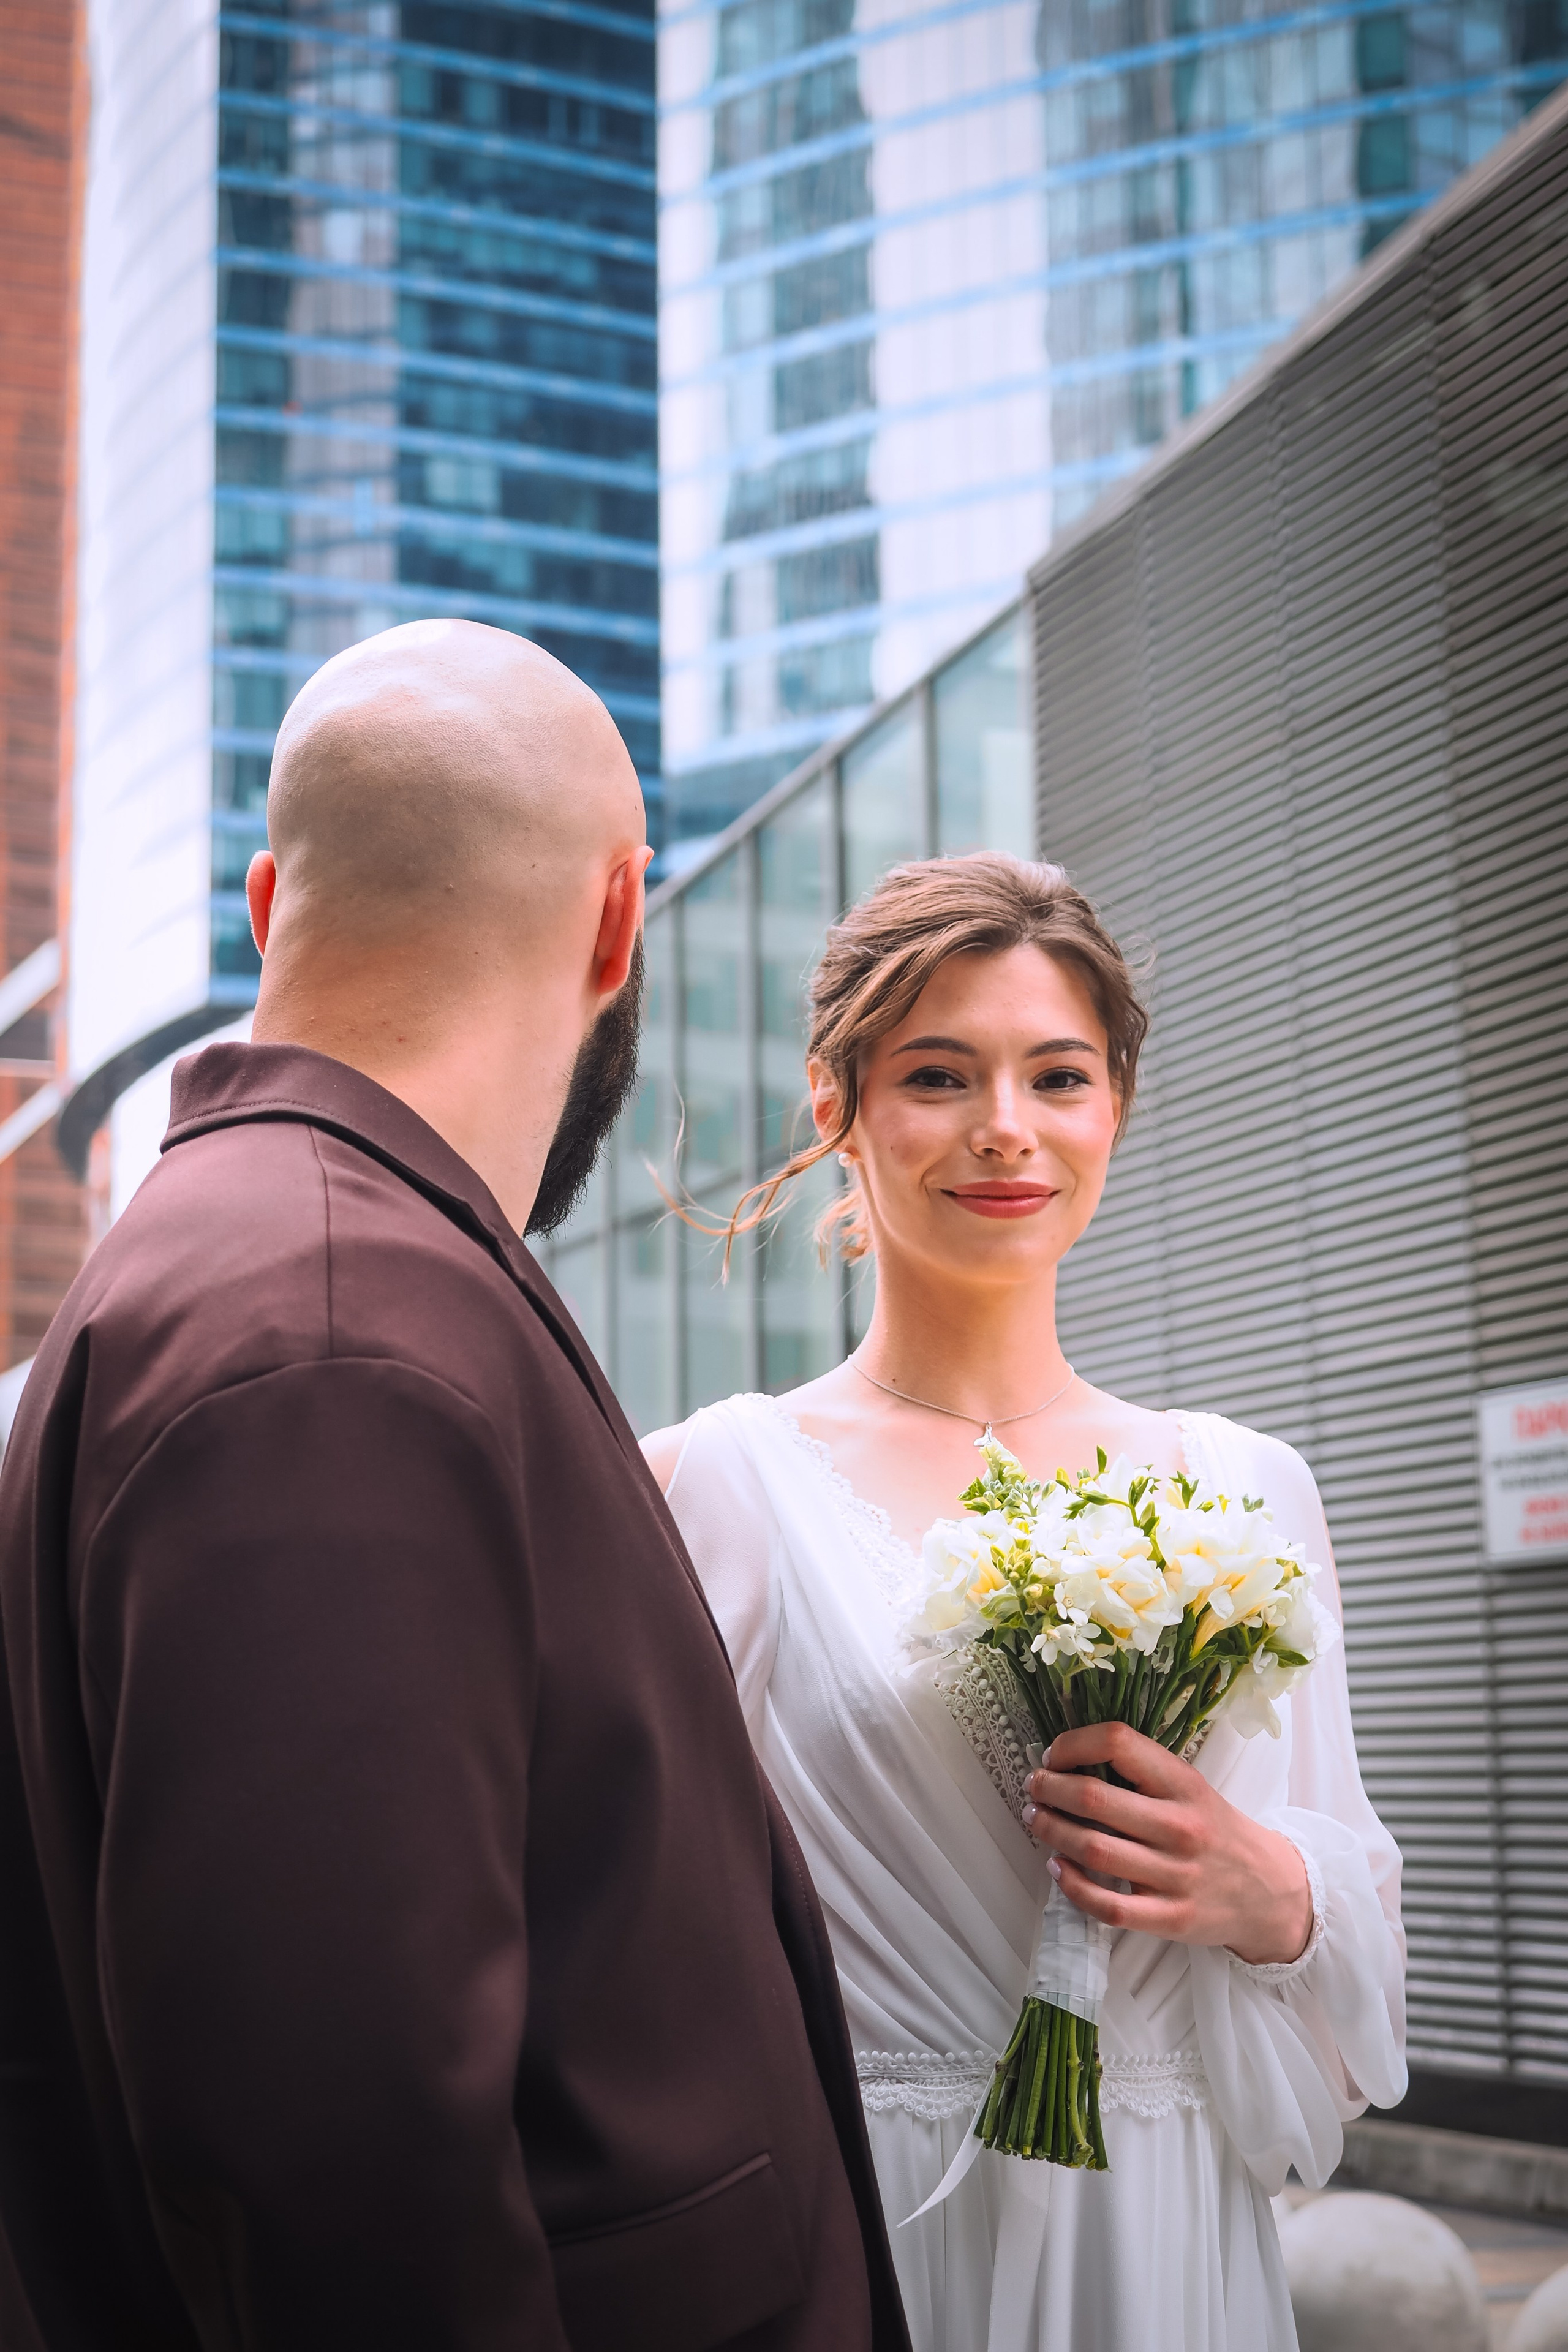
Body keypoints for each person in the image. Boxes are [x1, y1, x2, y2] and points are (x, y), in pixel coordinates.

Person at [0, 620, 910, 2352]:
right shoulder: (336, 1335)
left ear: (270, 908)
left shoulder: (278, 1270)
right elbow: (341, 2165)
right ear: (621, 920)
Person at [643, 852, 1406, 2352]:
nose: (1005, 1129)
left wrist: (1270, 1894)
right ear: (834, 1109)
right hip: (875, 2218)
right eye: (937, 1075)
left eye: (1056, 1076)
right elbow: (654, 1937)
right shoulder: (710, 1483)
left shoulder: (1246, 1487)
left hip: (1170, 2223)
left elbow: (1355, 1890)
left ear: (1110, 1107)